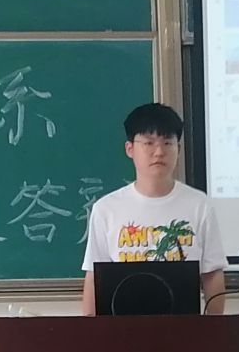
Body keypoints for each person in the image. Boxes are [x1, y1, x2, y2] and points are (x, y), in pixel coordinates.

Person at [80, 103, 228, 315]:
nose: (159, 152)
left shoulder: (199, 205)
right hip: (122, 329)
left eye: (168, 143)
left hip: (185, 328)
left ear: (178, 149)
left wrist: (213, 328)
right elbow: (94, 278)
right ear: (130, 149)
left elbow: (212, 274)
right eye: (149, 143)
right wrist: (90, 330)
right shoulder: (106, 209)